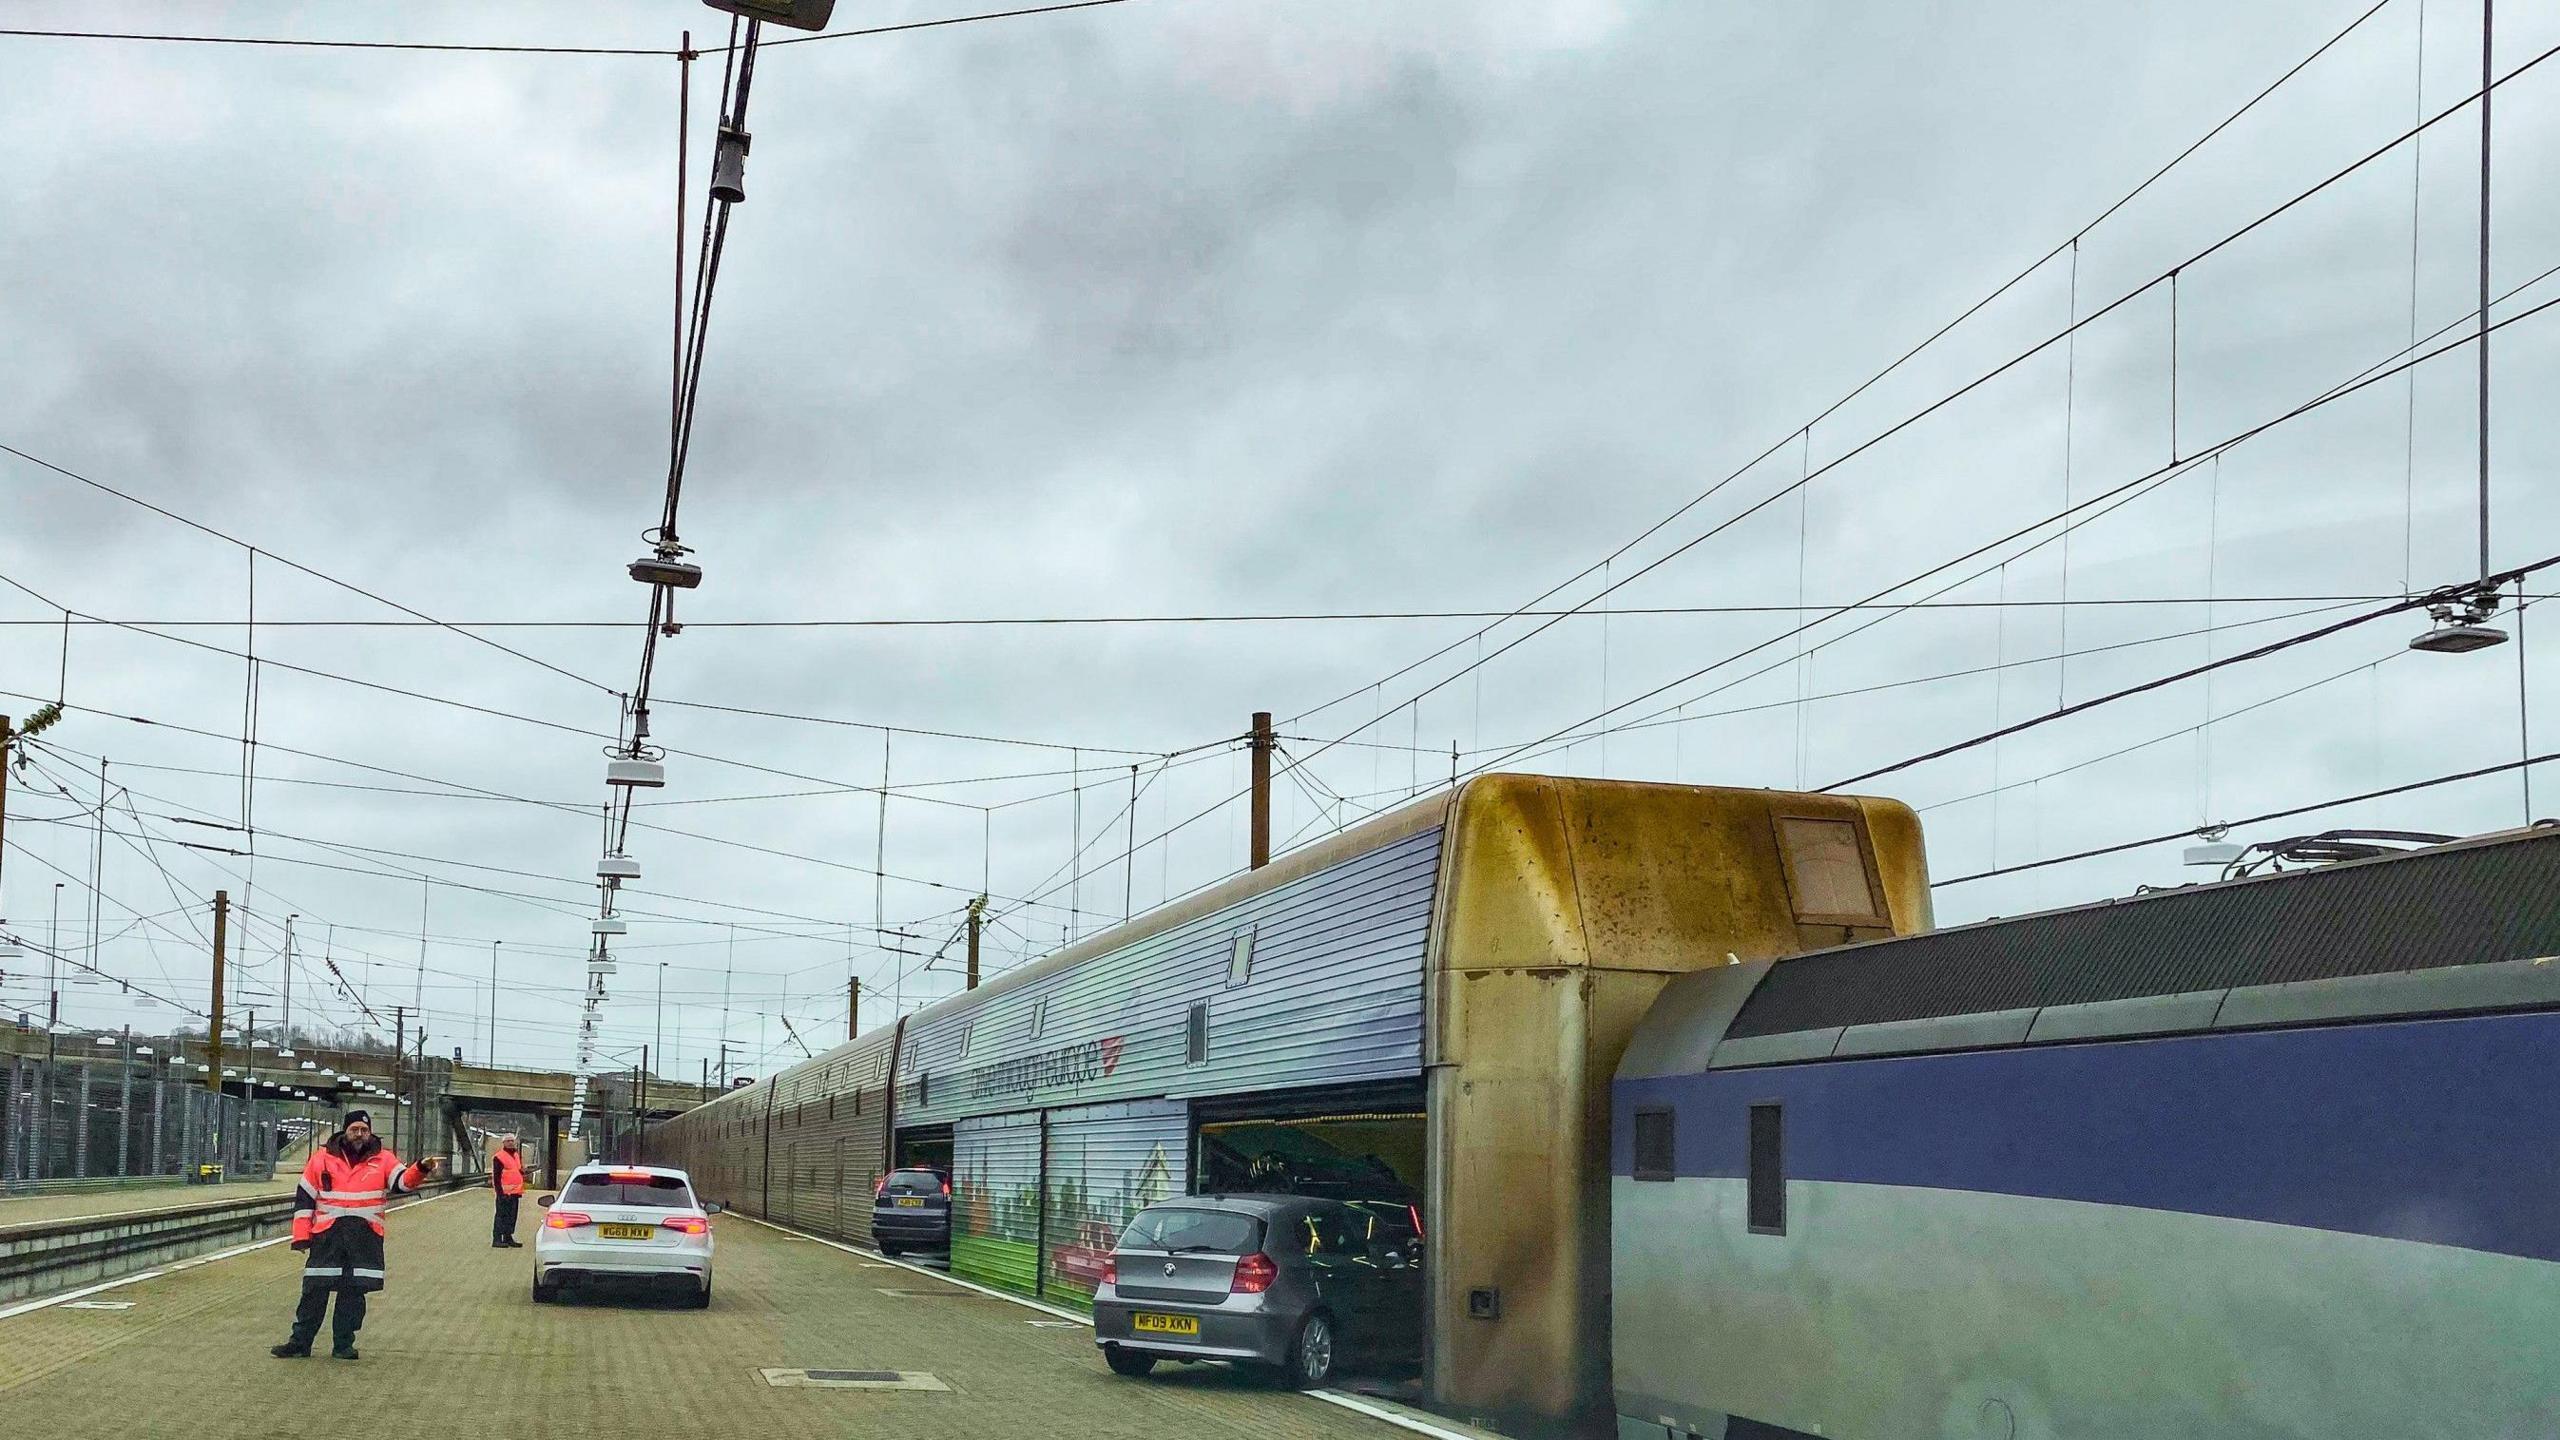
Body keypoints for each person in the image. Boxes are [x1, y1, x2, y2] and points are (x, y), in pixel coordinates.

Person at [270, 1109, 439, 1361]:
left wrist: (421, 1168)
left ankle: (343, 1345)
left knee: (353, 1293)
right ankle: (300, 1342)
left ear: (369, 1132)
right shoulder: (321, 1159)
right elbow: (305, 1199)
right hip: (327, 1237)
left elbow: (402, 1183)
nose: (359, 1134)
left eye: (364, 1130)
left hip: (364, 1238)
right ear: (345, 1131)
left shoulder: (383, 1159)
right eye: (354, 1129)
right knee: (314, 1291)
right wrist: (301, 1236)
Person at [489, 1133, 531, 1248]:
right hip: (504, 1193)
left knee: (512, 1217)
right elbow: (496, 1177)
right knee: (501, 1216)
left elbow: (516, 1170)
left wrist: (522, 1172)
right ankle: (497, 1239)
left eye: (512, 1141)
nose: (511, 1143)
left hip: (515, 1193)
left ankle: (508, 1237)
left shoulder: (516, 1155)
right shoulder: (499, 1157)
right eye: (508, 1141)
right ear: (503, 1143)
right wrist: (499, 1193)